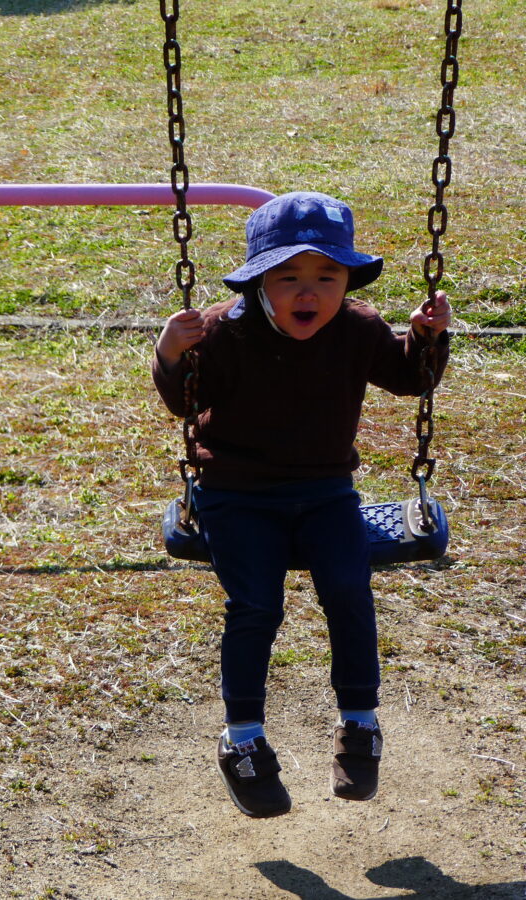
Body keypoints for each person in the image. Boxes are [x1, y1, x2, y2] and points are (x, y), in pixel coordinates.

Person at [152, 191, 451, 818]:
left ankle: (360, 722)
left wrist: (425, 339)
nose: (309, 292)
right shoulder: (223, 331)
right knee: (255, 605)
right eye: (289, 277)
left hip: (325, 491)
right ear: (259, 280)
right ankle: (242, 738)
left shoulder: (358, 327)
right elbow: (186, 403)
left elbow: (410, 378)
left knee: (348, 589)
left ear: (348, 282)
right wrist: (171, 354)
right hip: (236, 494)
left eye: (327, 277)